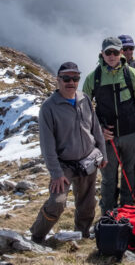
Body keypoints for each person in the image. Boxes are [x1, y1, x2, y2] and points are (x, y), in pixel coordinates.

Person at [31, 62, 108, 243]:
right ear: (58, 80)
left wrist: (102, 152)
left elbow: (96, 129)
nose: (71, 82)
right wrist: (56, 173)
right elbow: (47, 144)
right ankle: (37, 235)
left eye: (75, 78)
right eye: (66, 78)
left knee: (88, 203)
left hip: (88, 158)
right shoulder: (49, 107)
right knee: (57, 202)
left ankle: (82, 235)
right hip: (64, 164)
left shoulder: (84, 99)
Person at [83, 37, 135, 214]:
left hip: (131, 134)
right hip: (107, 138)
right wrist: (98, 132)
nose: (111, 56)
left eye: (115, 52)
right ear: (102, 54)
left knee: (130, 173)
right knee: (108, 177)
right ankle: (107, 212)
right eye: (108, 52)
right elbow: (84, 110)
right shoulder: (93, 78)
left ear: (121, 53)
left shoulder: (131, 74)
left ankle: (127, 209)